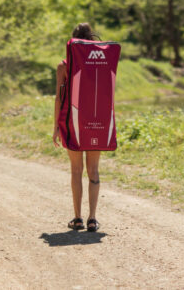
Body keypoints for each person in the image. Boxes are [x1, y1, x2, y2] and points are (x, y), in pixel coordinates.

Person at [54, 22, 102, 232]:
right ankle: (93, 218)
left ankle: (78, 218)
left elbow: (58, 97)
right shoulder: (101, 62)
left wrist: (56, 127)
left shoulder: (64, 66)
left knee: (76, 170)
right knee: (93, 170)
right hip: (96, 122)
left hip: (72, 121)